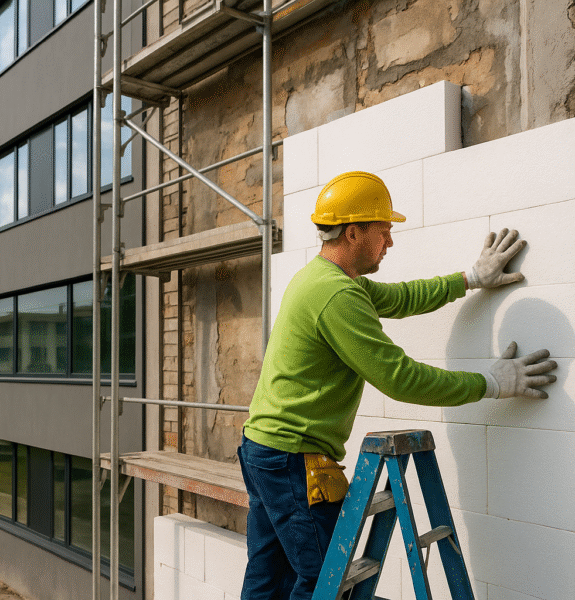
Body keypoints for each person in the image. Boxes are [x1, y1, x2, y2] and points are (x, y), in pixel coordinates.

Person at [238, 171, 558, 600]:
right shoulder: (336, 295)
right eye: (383, 230)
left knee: (269, 580)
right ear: (353, 232)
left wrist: (470, 278)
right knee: (324, 583)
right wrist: (490, 384)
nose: (390, 241)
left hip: (265, 450)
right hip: (293, 460)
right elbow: (400, 378)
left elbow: (403, 297)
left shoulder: (324, 279)